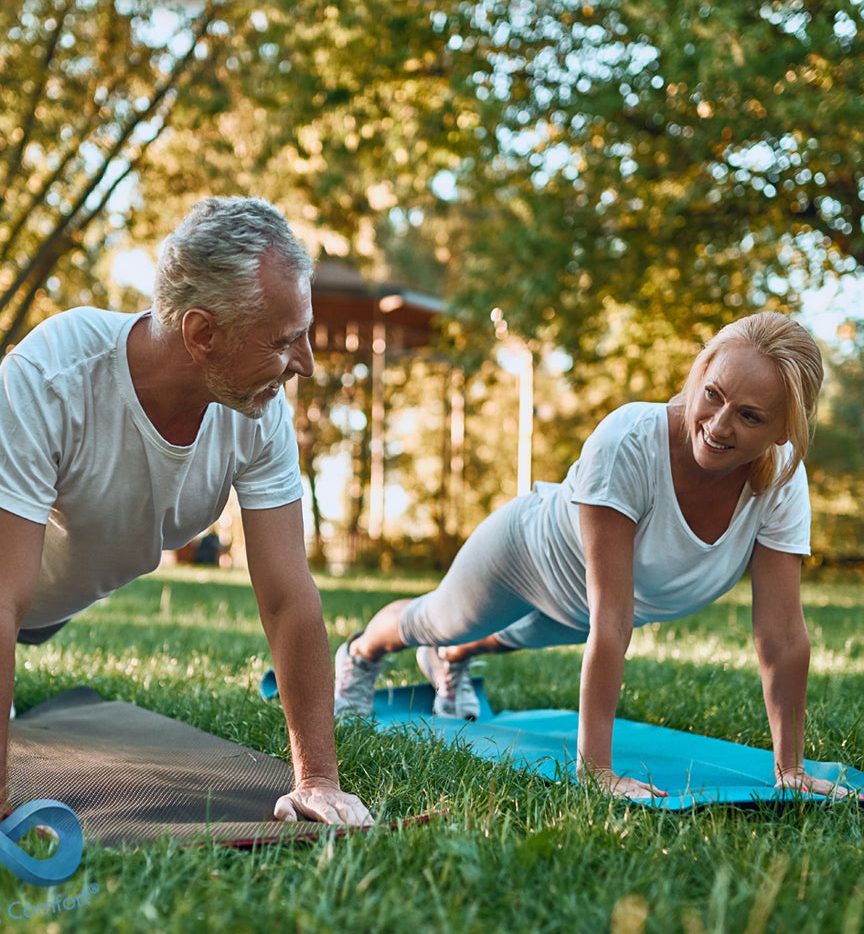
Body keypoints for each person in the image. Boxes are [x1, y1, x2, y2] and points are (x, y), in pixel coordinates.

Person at [0, 196, 372, 827]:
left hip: (59, 585)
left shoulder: (257, 413)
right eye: (286, 341)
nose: (305, 364)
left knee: (22, 625)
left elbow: (288, 595)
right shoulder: (51, 377)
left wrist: (316, 780)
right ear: (202, 333)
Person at [335, 312, 852, 800]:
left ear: (784, 430)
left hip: (585, 608)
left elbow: (781, 632)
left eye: (750, 416)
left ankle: (450, 663)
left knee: (490, 642)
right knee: (436, 621)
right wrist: (597, 770)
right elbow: (612, 617)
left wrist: (791, 770)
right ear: (697, 377)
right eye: (712, 395)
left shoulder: (781, 481)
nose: (717, 425)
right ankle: (360, 656)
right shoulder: (630, 438)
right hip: (526, 556)